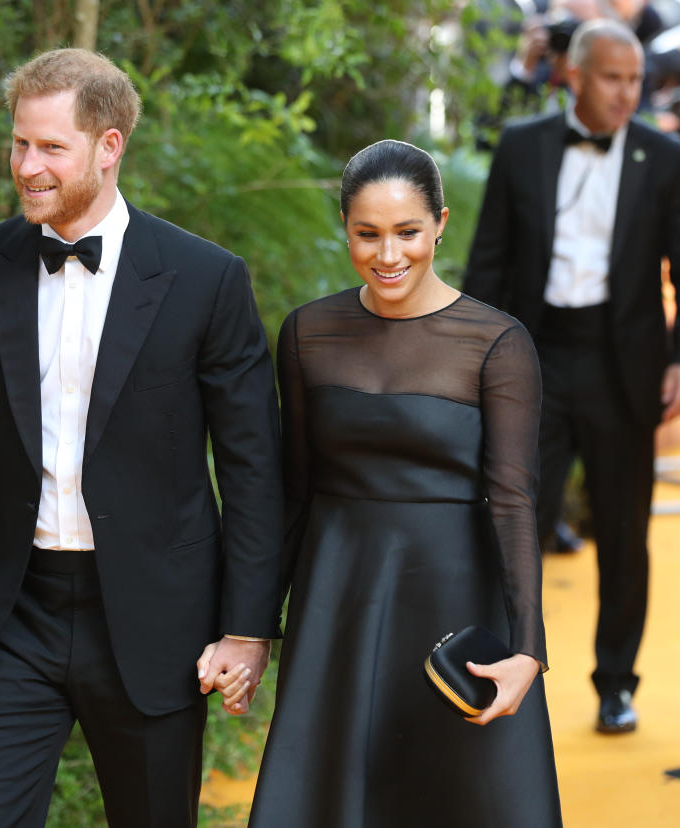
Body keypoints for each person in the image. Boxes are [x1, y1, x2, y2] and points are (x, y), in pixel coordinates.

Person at [0, 48, 283, 826]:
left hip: (153, 617)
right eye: (19, 143)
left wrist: (248, 629)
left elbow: (252, 468)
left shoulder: (206, 278)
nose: (26, 166)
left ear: (109, 147)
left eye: (51, 147)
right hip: (11, 607)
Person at [241, 139, 562, 827]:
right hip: (338, 599)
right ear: (345, 228)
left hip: (453, 596)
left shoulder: (496, 342)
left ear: (441, 223)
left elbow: (513, 501)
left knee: (457, 795)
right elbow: (292, 495)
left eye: (408, 232)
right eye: (369, 234)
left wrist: (529, 648)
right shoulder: (307, 334)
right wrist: (252, 627)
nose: (389, 256)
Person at [464, 18, 680, 733]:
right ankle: (503, 671)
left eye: (635, 79)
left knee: (623, 530)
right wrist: (473, 360)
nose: (627, 93)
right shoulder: (522, 147)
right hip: (532, 356)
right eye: (613, 78)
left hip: (624, 363)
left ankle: (616, 683)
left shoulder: (667, 158)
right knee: (514, 522)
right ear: (574, 76)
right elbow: (488, 263)